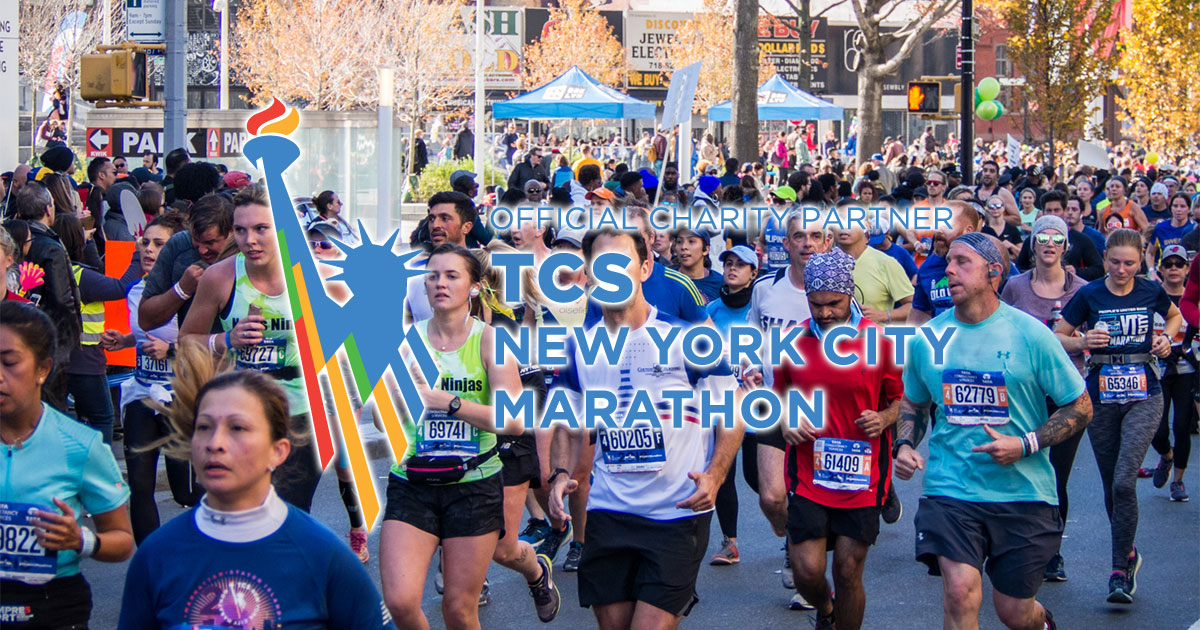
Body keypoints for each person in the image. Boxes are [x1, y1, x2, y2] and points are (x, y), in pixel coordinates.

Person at [117, 343, 395, 629]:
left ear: (278, 450)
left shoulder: (323, 555)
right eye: (204, 427)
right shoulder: (155, 556)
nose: (215, 444)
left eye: (237, 428)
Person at [894, 232, 1092, 630]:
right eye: (949, 261)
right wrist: (903, 443)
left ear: (995, 273)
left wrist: (1025, 444)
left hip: (1022, 492)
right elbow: (913, 402)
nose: (949, 270)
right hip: (951, 489)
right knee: (960, 592)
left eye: (963, 262)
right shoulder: (928, 338)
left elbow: (1080, 405)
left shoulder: (1030, 334)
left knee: (1015, 613)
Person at [548, 227, 742, 630]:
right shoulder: (577, 346)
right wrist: (560, 475)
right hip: (609, 511)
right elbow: (569, 422)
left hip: (676, 513)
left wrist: (717, 474)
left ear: (646, 268)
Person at [380, 244, 559, 628]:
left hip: (473, 484)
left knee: (459, 609)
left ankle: (536, 570)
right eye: (432, 276)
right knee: (400, 601)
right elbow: (384, 425)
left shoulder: (491, 341)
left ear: (474, 287)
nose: (439, 283)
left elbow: (513, 421)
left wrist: (447, 401)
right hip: (412, 480)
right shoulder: (405, 342)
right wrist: (393, 400)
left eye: (451, 275)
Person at [773, 249, 904, 630]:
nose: (825, 313)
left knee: (848, 570)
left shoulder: (879, 340)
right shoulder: (792, 339)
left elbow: (901, 401)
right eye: (816, 304)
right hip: (809, 472)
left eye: (833, 303)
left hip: (862, 475)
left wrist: (883, 417)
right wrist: (786, 421)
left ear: (851, 295)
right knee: (807, 572)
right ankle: (826, 611)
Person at [1055, 228, 1181, 604]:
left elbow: (1173, 317)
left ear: (1141, 260)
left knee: (1126, 480)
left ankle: (1117, 572)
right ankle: (1128, 554)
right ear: (1105, 259)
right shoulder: (1090, 293)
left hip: (1146, 393)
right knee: (1112, 484)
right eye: (1114, 262)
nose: (1122, 270)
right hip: (1102, 394)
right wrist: (1081, 341)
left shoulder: (1150, 290)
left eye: (1129, 263)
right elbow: (1059, 334)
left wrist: (1166, 340)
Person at [179, 185, 322, 512]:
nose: (250, 240)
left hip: (301, 410)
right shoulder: (220, 277)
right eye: (241, 231)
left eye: (261, 229)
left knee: (291, 512)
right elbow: (186, 341)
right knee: (242, 508)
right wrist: (227, 340)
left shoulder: (314, 275)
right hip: (241, 410)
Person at [0, 301, 134, 628]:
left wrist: (80, 541)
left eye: (9, 363)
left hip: (52, 606)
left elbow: (122, 540)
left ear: (43, 369)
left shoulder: (79, 445)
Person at [1000, 214, 1090, 582]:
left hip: (1068, 394)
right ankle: (1014, 545)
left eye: (1057, 238)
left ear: (1065, 245)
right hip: (1023, 394)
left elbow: (1093, 333)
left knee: (1056, 476)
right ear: (1032, 244)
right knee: (1019, 471)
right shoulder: (1014, 288)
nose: (1049, 244)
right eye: (1042, 237)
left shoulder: (1083, 289)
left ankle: (1052, 552)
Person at [106, 213, 202, 545]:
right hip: (141, 394)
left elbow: (212, 344)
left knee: (187, 492)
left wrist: (172, 349)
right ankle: (150, 562)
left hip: (181, 398)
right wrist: (125, 341)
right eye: (145, 242)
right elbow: (145, 331)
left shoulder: (196, 291)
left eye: (159, 244)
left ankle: (201, 555)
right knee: (139, 486)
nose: (148, 249)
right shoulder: (137, 289)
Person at [54, 212, 140, 445]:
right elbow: (121, 287)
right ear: (74, 239)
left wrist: (90, 243)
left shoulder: (55, 270)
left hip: (59, 358)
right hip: (86, 359)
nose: (87, 234)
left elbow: (95, 269)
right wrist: (138, 256)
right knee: (103, 418)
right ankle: (99, 472)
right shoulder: (80, 276)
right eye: (82, 233)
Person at [705, 244, 759, 565]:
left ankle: (791, 527)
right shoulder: (710, 311)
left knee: (759, 479)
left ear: (754, 273)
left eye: (741, 265)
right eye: (728, 263)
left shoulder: (759, 310)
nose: (732, 269)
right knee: (722, 474)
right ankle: (730, 542)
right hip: (722, 405)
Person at [14, 181, 80, 409]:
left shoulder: (10, 235)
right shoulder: (50, 246)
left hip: (15, 330)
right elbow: (62, 297)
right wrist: (73, 332)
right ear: (48, 209)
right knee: (51, 401)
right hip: (50, 334)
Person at [137, 193, 235, 332]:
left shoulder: (250, 250)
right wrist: (181, 289)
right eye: (195, 239)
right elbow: (145, 321)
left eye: (210, 242)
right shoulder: (179, 245)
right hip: (195, 351)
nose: (202, 250)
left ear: (232, 232)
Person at [1145, 245, 1196, 502]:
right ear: (1162, 268)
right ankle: (1166, 456)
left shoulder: (1194, 299)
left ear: (1187, 269)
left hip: (1188, 370)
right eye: (1169, 264)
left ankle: (1178, 481)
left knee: (1182, 426)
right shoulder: (1153, 296)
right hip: (1158, 369)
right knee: (1158, 429)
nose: (1174, 269)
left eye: (1179, 264)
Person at [1145, 193, 1195, 278]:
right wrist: (1151, 271)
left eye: (1182, 206)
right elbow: (1150, 253)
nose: (1178, 210)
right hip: (1164, 274)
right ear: (1170, 208)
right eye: (1175, 206)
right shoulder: (1160, 228)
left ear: (1189, 209)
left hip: (1187, 275)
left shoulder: (1193, 229)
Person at [673, 227, 723, 303]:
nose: (684, 247)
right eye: (679, 242)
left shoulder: (720, 283)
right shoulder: (665, 279)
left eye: (691, 241)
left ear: (706, 250)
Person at [982, 194, 1024, 259]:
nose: (995, 208)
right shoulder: (983, 230)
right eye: (991, 206)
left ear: (1003, 208)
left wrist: (1011, 246)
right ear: (987, 208)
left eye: (998, 206)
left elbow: (1022, 254)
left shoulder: (1012, 229)